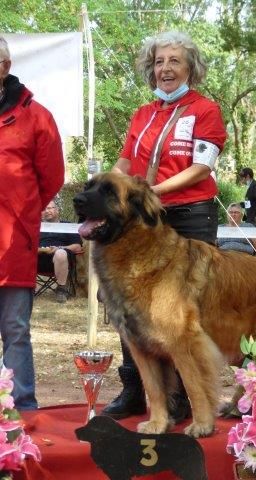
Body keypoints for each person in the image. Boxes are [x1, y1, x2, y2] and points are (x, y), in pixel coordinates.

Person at [102, 30, 227, 421]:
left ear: (191, 66)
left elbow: (201, 167)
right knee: (132, 304)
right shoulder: (142, 113)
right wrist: (110, 185)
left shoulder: (205, 110)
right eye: (159, 61)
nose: (166, 68)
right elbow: (125, 162)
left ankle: (193, 397)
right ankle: (135, 389)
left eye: (174, 61)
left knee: (185, 314)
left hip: (190, 215)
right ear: (150, 69)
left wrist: (151, 190)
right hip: (143, 220)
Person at [0, 36, 64, 410]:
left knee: (15, 331)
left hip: (14, 241)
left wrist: (21, 210)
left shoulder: (37, 117)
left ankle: (22, 409)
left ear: (5, 67)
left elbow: (52, 177)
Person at [38, 200, 83, 303]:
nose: (47, 211)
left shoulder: (68, 226)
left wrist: (59, 248)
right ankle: (27, 288)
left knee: (61, 253)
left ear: (57, 210)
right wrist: (41, 250)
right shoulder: (36, 227)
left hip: (62, 261)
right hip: (38, 260)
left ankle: (61, 289)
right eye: (44, 209)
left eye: (50, 208)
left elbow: (77, 247)